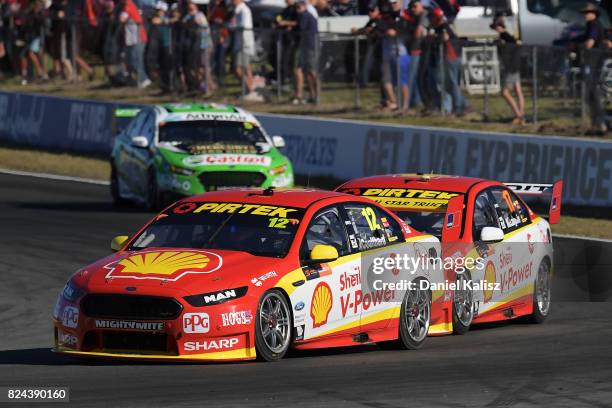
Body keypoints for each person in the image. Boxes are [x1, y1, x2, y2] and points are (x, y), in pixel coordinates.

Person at [430, 7, 468, 115]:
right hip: (451, 57)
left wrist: (435, 37)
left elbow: (445, 38)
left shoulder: (444, 27)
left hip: (451, 57)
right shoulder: (443, 26)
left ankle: (458, 107)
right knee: (448, 83)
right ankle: (460, 105)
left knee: (451, 83)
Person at [579, 2, 607, 134]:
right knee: (590, 92)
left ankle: (599, 122)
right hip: (593, 62)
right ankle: (596, 122)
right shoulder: (590, 25)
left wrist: (580, 47)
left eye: (587, 13)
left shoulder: (594, 25)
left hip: (595, 63)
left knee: (593, 91)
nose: (585, 16)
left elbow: (590, 43)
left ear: (593, 14)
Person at [491, 14, 524, 125]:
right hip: (516, 65)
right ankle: (521, 116)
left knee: (505, 92)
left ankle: (519, 116)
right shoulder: (505, 36)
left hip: (511, 67)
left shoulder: (505, 36)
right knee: (518, 90)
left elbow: (515, 44)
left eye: (496, 27)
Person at [230, 0, 261, 101]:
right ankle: (249, 91)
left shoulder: (244, 10)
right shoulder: (237, 10)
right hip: (240, 43)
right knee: (246, 69)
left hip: (244, 44)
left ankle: (250, 90)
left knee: (237, 69)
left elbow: (244, 26)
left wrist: (231, 26)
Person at [119, 0, 151, 88]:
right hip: (131, 38)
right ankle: (136, 79)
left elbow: (122, 18)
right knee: (129, 59)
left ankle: (144, 79)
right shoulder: (126, 5)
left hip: (138, 37)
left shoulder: (129, 5)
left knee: (136, 59)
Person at [293, 0, 319, 104]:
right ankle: (311, 95)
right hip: (305, 46)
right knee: (307, 71)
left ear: (304, 6)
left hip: (310, 46)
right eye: (296, 7)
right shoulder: (304, 15)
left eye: (299, 7)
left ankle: (316, 95)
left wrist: (290, 25)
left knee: (312, 71)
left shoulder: (305, 15)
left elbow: (301, 28)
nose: (297, 10)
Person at [275, 0, 299, 86]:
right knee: (281, 60)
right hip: (284, 38)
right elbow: (279, 18)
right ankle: (282, 80)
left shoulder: (295, 8)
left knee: (288, 60)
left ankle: (287, 80)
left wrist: (286, 23)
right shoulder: (286, 9)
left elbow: (297, 22)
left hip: (291, 39)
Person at [208, 0, 230, 86]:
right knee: (213, 57)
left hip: (222, 35)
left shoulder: (225, 7)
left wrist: (222, 35)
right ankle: (214, 78)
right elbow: (209, 18)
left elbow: (227, 21)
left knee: (220, 58)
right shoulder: (212, 6)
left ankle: (221, 77)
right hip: (214, 34)